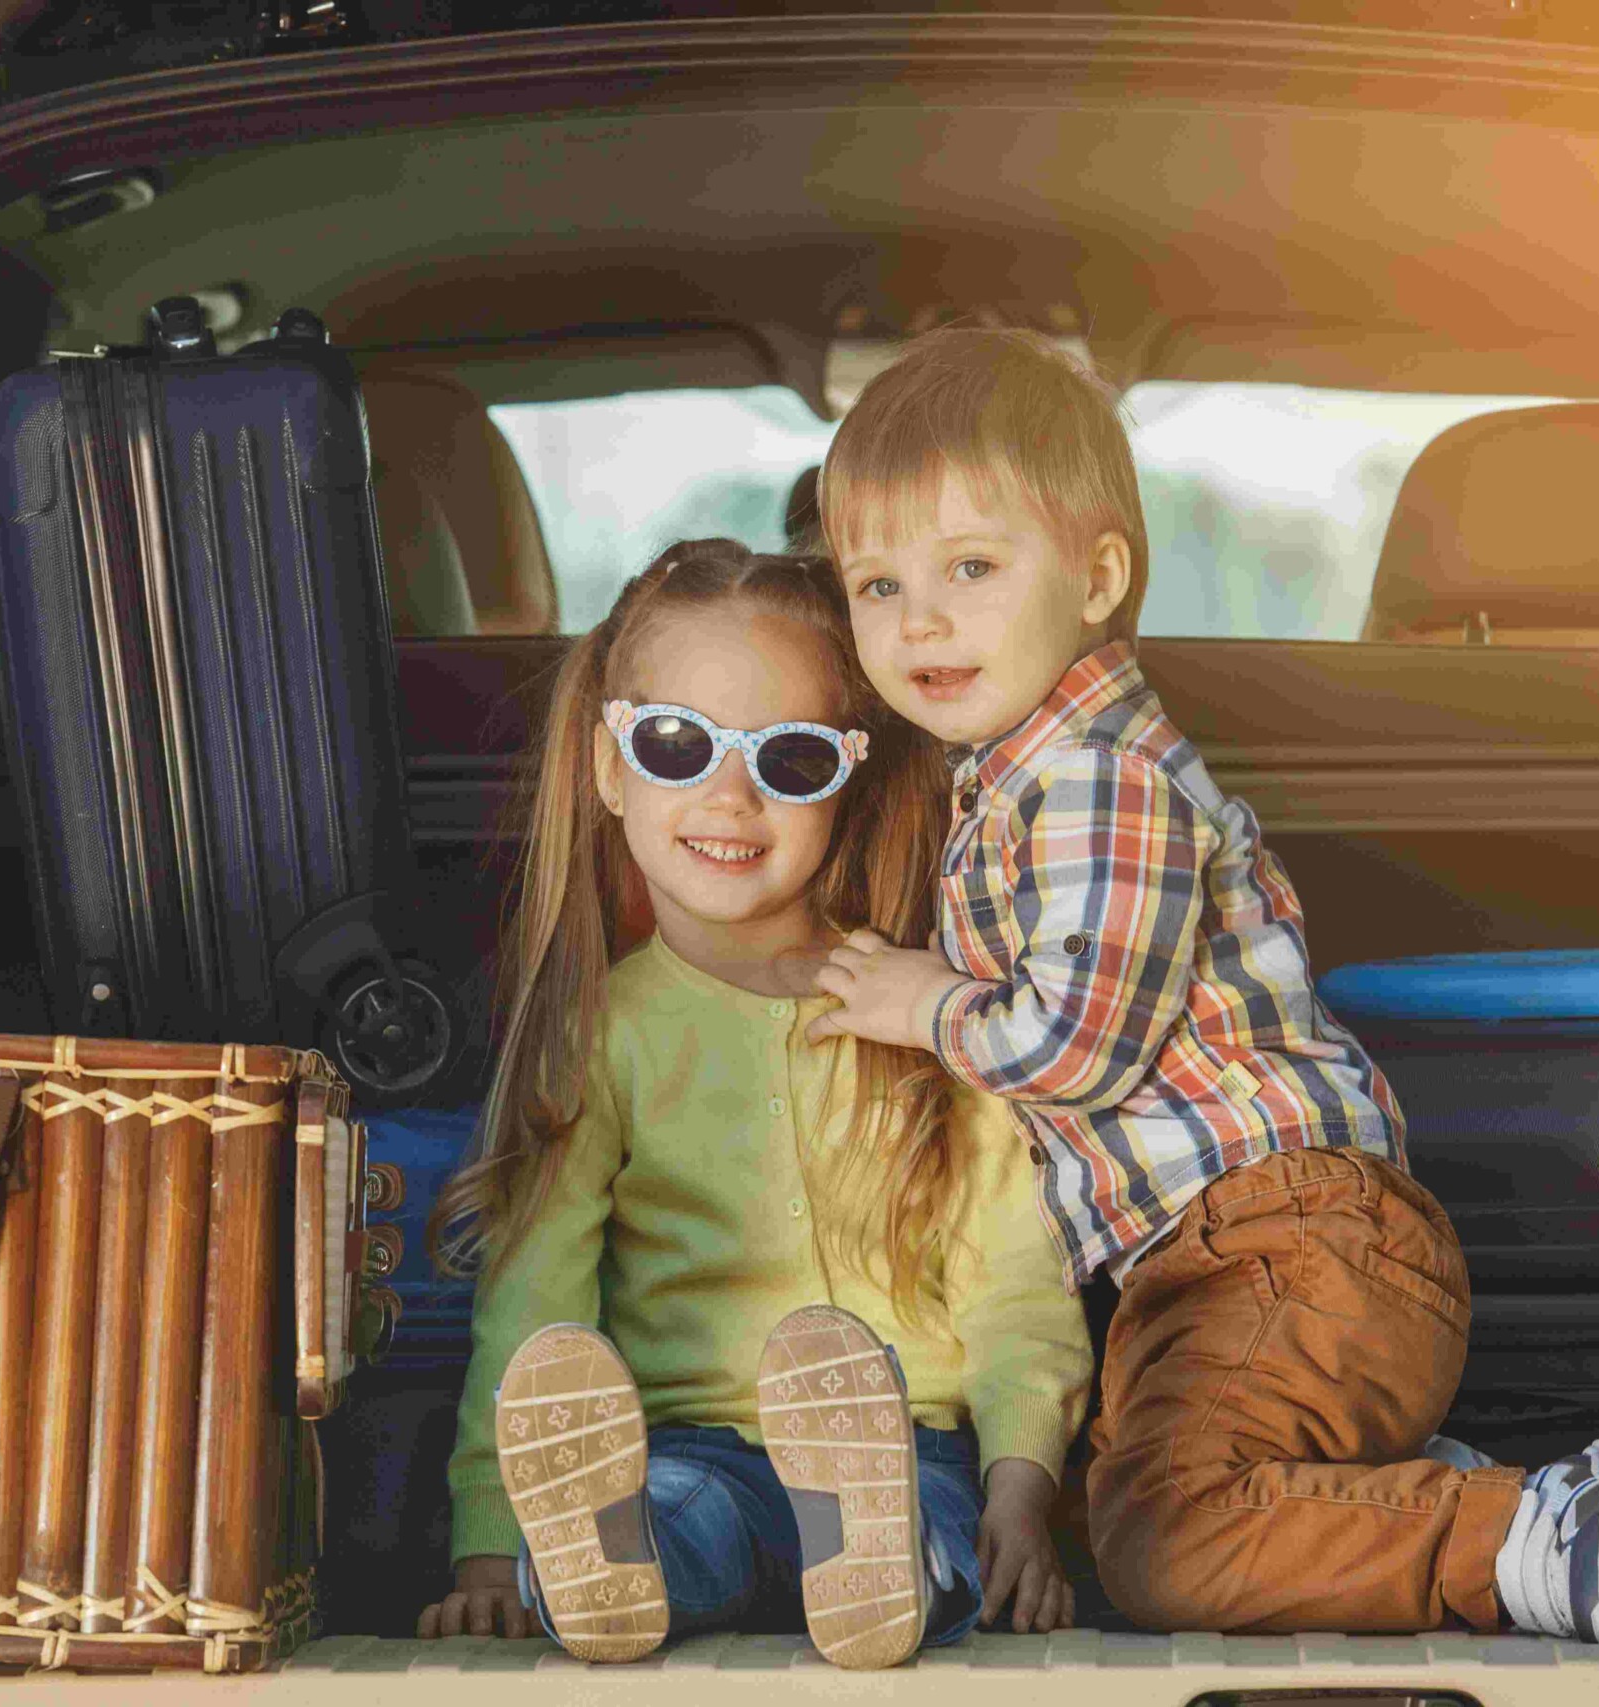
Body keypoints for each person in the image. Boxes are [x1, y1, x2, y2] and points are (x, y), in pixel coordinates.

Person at [805, 330, 1599, 1648]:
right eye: (876, 583)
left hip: (1283, 1245)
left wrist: (919, 997)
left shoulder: (1095, 780)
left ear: (1100, 573)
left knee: (1168, 1535)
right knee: (1112, 1515)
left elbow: (1072, 1048)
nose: (920, 619)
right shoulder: (1007, 780)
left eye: (971, 567)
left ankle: (1526, 1525)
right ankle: (1463, 1512)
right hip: (1245, 1261)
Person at [414, 538, 1092, 1669]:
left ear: (848, 782)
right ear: (610, 767)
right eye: (677, 745)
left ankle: (886, 1567)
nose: (729, 796)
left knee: (931, 1533)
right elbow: (533, 1302)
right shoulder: (600, 1034)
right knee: (670, 1527)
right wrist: (487, 1546)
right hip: (685, 1452)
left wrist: (1022, 1489)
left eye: (787, 758)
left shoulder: (924, 1010)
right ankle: (594, 1561)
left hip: (910, 1447)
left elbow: (1013, 1282)